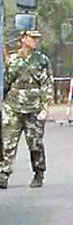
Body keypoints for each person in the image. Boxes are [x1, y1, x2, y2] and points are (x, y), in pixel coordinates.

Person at [0, 30, 54, 189]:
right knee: (8, 142)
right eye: (32, 38)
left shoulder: (42, 60)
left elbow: (47, 84)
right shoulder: (13, 59)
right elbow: (6, 82)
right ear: (23, 39)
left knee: (35, 143)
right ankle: (3, 174)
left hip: (33, 107)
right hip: (13, 106)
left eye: (37, 38)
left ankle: (39, 173)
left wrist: (45, 107)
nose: (35, 41)